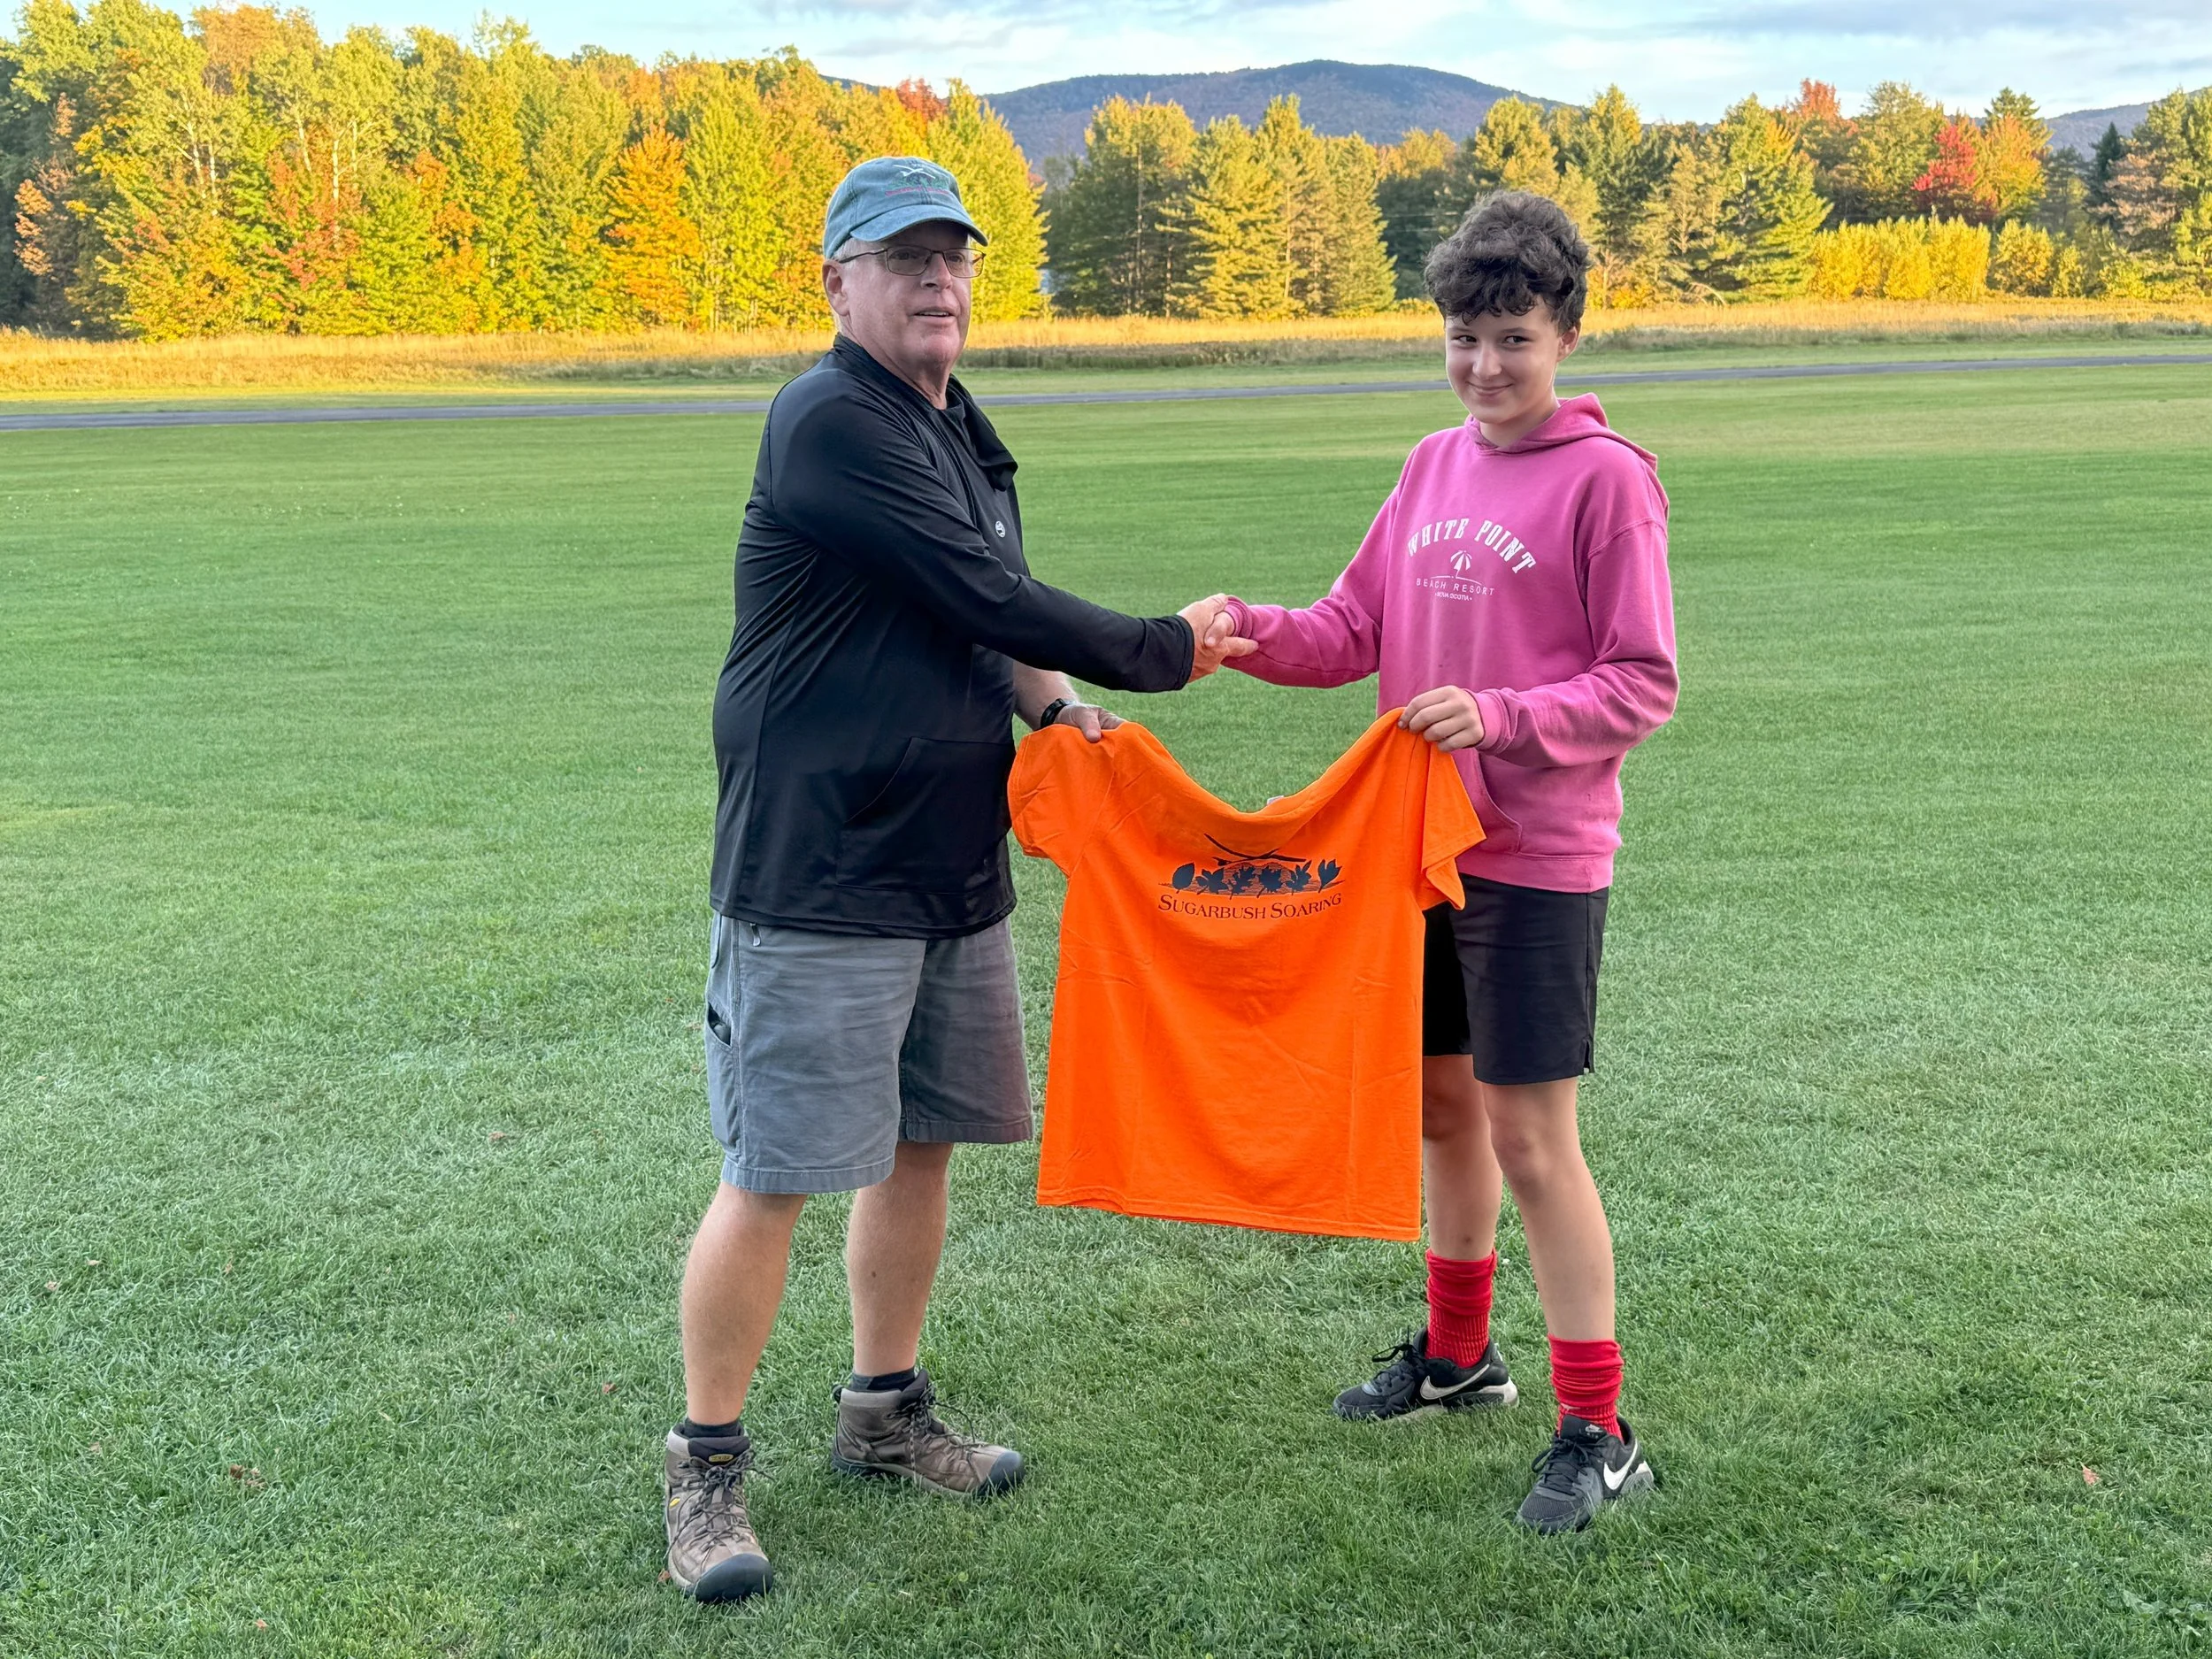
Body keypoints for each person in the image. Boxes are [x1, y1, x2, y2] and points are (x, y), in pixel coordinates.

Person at [665, 156, 1251, 1602]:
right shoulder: (829, 422)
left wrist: (1053, 707)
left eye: (957, 256)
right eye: (904, 255)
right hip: (819, 864)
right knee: (779, 1170)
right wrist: (1158, 649)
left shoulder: (955, 423)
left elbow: (977, 615)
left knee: (924, 1141)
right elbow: (985, 591)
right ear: (837, 282)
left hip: (948, 854)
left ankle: (883, 1413)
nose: (939, 278)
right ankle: (706, 1470)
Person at [1197, 192, 1678, 1533]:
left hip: (1537, 856)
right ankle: (1458, 1358)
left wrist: (1509, 716)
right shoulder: (1428, 466)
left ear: (1568, 334)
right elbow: (1355, 622)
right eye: (1465, 337)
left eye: (1514, 337)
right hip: (1418, 851)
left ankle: (1600, 1426)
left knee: (1532, 1134)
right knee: (1444, 1113)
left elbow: (1644, 681)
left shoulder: (1608, 481)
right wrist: (1249, 629)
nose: (1485, 366)